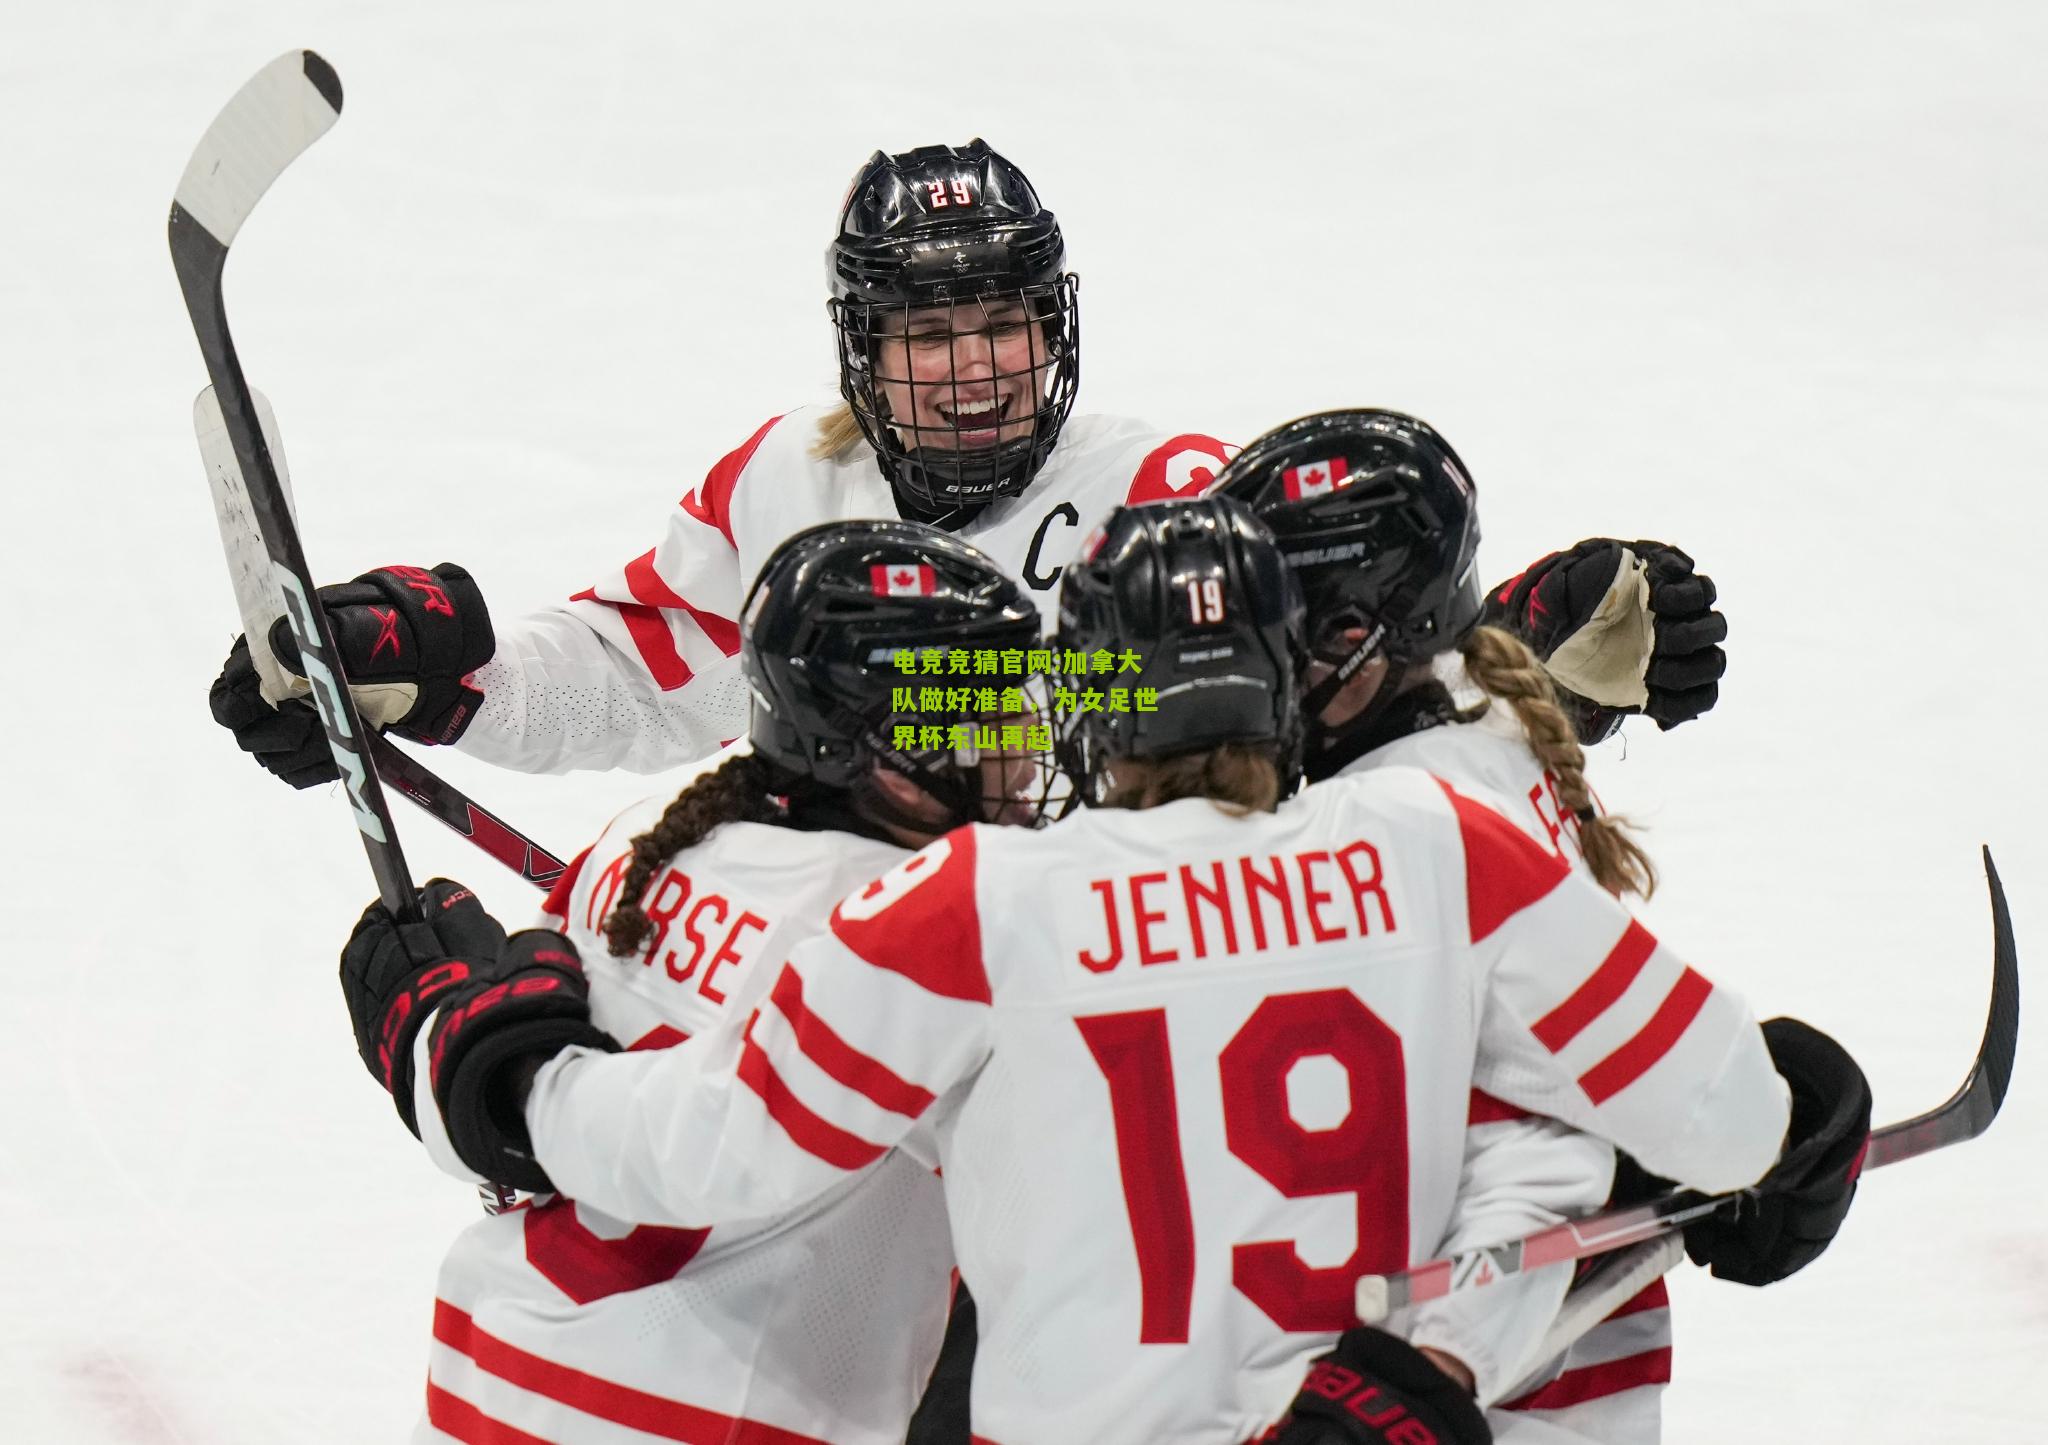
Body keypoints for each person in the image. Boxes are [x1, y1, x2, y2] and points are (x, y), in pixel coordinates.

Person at [391, 496, 1816, 1444]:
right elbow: (1735, 1120)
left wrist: (498, 1077)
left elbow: (707, 1148)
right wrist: (1444, 1349)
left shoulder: (973, 905)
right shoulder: (1443, 839)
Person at [207, 139, 1727, 792]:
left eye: (999, 324)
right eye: (927, 336)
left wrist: (1502, 660)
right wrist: (446, 672)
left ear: (1055, 328)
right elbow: (647, 666)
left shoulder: (1169, 487)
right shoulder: (778, 481)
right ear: (860, 350)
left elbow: (1309, 725)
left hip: (1106, 985)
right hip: (868, 1011)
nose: (971, 368)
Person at [1215, 409, 1871, 1442]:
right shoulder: (1480, 735)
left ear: (1359, 639)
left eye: (1265, 628)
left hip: (1465, 1399)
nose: (1228, 662)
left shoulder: (1383, 841)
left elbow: (1547, 1147)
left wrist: (1420, 1368)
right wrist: (1771, 1107)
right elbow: (1693, 1101)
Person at [335, 520, 1058, 1444]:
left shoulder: (643, 841)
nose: (1027, 746)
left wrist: (437, 1036)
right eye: (983, 716)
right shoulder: (940, 933)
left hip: (491, 1378)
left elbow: (501, 1122)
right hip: (717, 1418)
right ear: (877, 749)